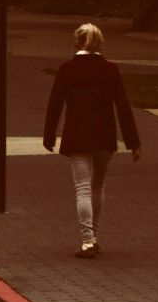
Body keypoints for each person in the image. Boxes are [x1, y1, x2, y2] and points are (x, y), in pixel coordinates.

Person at [43, 23, 142, 258]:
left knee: (82, 188)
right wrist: (133, 141)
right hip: (104, 136)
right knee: (98, 186)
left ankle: (86, 241)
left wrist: (49, 135)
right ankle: (94, 235)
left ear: (77, 42)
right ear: (100, 43)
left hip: (77, 136)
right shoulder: (110, 70)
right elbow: (123, 106)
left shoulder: (67, 70)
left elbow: (55, 104)